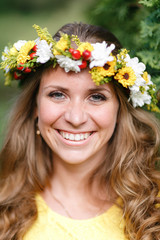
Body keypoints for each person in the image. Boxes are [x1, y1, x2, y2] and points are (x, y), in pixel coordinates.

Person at [0, 22, 160, 240]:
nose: (75, 118)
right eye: (57, 94)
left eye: (96, 97)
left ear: (120, 110)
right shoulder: (3, 202)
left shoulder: (153, 207)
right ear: (35, 105)